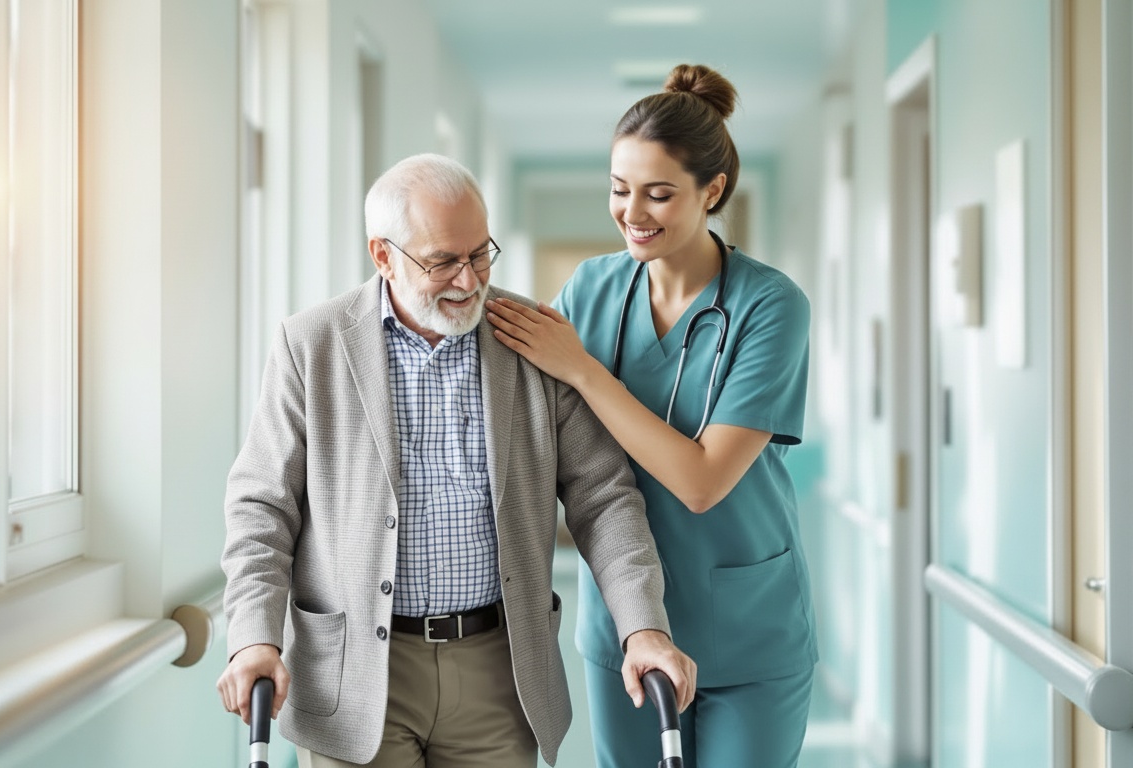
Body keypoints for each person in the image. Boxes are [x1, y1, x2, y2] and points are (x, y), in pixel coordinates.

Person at [216, 152, 697, 768]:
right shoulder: (312, 345)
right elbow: (262, 505)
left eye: (479, 254)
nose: (469, 281)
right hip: (358, 672)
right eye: (443, 261)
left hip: (498, 670)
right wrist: (253, 636)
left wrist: (643, 628)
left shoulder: (531, 338)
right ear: (383, 255)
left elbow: (603, 498)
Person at [485, 64, 817, 768]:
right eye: (619, 189)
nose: (633, 211)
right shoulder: (593, 288)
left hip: (748, 633)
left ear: (713, 191)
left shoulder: (770, 307)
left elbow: (701, 482)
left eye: (659, 193)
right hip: (626, 625)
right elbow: (546, 439)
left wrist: (583, 369)